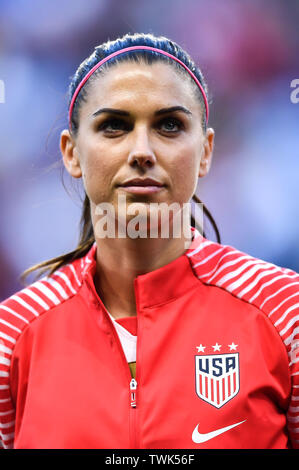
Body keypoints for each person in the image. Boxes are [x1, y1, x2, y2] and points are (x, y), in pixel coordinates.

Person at [0, 32, 298, 450]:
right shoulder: (12, 333)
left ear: (206, 152)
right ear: (71, 153)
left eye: (169, 125)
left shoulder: (285, 312)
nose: (142, 151)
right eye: (114, 127)